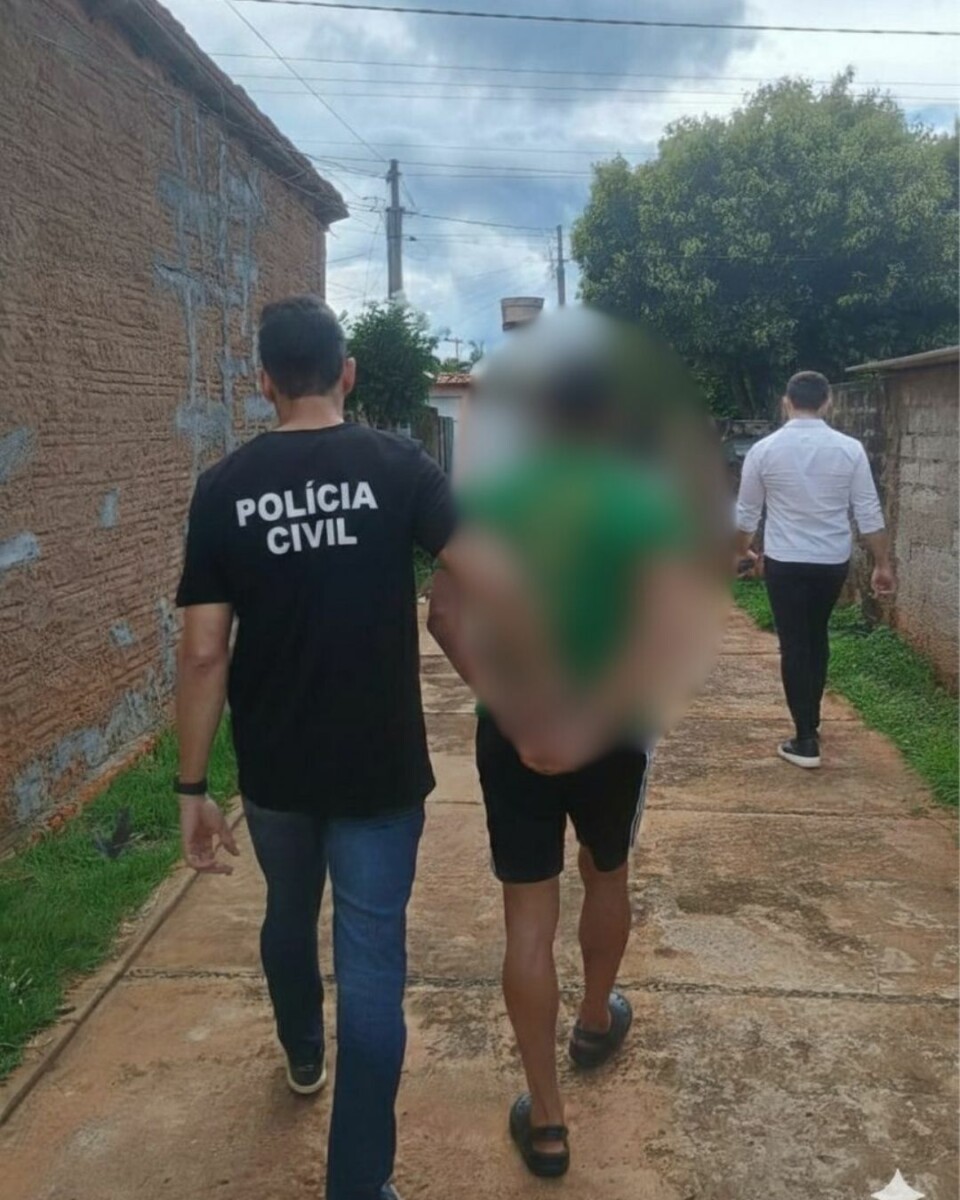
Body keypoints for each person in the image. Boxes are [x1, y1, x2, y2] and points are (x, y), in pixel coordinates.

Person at [428, 312, 726, 1178]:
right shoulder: (644, 502)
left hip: (514, 728)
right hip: (612, 731)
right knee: (607, 872)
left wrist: (518, 711)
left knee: (528, 916)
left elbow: (443, 614)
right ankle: (595, 1019)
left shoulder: (487, 502)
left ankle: (549, 1122)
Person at [174, 296, 456, 1200]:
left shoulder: (224, 488)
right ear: (349, 372)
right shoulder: (401, 466)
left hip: (278, 767)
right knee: (372, 967)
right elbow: (490, 573)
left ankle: (303, 1049)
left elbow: (204, 651)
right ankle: (358, 1185)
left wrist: (191, 787)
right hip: (380, 765)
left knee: (289, 913)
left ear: (263, 382)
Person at [735, 370, 896, 769]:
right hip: (831, 561)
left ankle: (805, 738)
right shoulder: (850, 449)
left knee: (794, 643)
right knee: (816, 634)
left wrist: (741, 551)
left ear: (786, 402)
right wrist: (882, 564)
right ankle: (813, 720)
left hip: (786, 561)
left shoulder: (764, 450)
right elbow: (868, 512)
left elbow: (747, 513)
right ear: (828, 403)